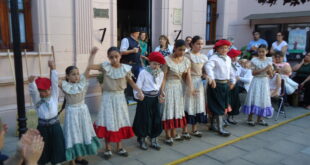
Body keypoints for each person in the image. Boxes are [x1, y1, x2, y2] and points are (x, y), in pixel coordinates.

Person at [90, 47, 144, 160]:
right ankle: (108, 148)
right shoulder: (105, 67)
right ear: (108, 58)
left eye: (116, 56)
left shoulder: (125, 68)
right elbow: (90, 67)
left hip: (120, 97)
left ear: (120, 56)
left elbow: (131, 82)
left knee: (119, 121)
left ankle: (120, 147)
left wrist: (139, 90)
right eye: (111, 57)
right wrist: (92, 55)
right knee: (108, 121)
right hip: (107, 98)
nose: (114, 59)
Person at [60, 47, 101, 165]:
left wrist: (92, 55)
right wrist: (53, 69)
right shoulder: (64, 85)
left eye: (77, 74)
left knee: (83, 132)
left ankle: (79, 157)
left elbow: (89, 68)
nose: (77, 76)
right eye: (73, 74)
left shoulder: (82, 82)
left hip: (83, 111)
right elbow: (54, 81)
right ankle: (71, 160)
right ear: (67, 76)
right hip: (72, 113)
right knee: (72, 134)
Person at [28, 60, 66, 165]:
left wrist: (53, 69)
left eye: (47, 90)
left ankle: (56, 161)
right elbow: (33, 92)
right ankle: (43, 161)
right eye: (42, 91)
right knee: (43, 146)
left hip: (55, 126)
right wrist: (31, 83)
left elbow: (54, 84)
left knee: (57, 145)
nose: (45, 93)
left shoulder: (54, 97)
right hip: (42, 127)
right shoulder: (37, 101)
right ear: (39, 91)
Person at [160, 39, 194, 145]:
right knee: (169, 110)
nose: (182, 52)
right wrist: (162, 91)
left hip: (179, 87)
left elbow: (187, 75)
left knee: (177, 110)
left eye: (184, 50)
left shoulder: (186, 61)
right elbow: (163, 77)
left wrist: (191, 87)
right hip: (169, 87)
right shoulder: (166, 60)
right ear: (174, 48)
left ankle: (174, 133)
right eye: (180, 50)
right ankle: (167, 135)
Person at [133, 52, 166, 150]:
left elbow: (159, 86)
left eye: (158, 64)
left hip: (155, 98)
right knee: (144, 119)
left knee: (156, 118)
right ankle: (142, 138)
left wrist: (161, 93)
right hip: (145, 98)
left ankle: (154, 138)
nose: (156, 66)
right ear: (150, 62)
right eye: (154, 63)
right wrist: (139, 94)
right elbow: (138, 86)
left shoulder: (161, 73)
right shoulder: (144, 72)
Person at [205, 39, 236, 137]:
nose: (224, 50)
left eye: (226, 48)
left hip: (225, 84)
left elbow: (231, 70)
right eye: (222, 48)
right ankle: (220, 128)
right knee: (218, 105)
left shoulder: (228, 58)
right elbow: (208, 67)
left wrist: (233, 80)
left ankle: (213, 125)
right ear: (217, 49)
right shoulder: (214, 58)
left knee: (223, 104)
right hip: (216, 84)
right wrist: (212, 79)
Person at [242, 45, 274, 126]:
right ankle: (250, 118)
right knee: (254, 98)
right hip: (256, 80)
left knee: (263, 99)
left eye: (263, 51)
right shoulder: (254, 60)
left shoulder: (269, 60)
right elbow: (253, 73)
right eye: (259, 51)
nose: (261, 53)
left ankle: (260, 119)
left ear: (267, 51)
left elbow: (271, 75)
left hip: (264, 81)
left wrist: (269, 69)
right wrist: (264, 69)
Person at [184, 36, 208, 137]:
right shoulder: (187, 56)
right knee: (188, 104)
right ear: (192, 44)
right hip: (189, 81)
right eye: (198, 43)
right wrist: (190, 87)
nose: (200, 46)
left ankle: (194, 129)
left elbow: (204, 71)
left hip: (199, 82)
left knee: (198, 104)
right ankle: (184, 130)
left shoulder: (203, 57)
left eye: (202, 44)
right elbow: (186, 72)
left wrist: (206, 76)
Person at [227, 49, 242, 125]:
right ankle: (226, 117)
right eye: (235, 56)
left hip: (235, 84)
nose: (236, 57)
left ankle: (231, 117)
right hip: (229, 84)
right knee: (228, 101)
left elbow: (239, 74)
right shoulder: (228, 64)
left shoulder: (237, 65)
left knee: (235, 101)